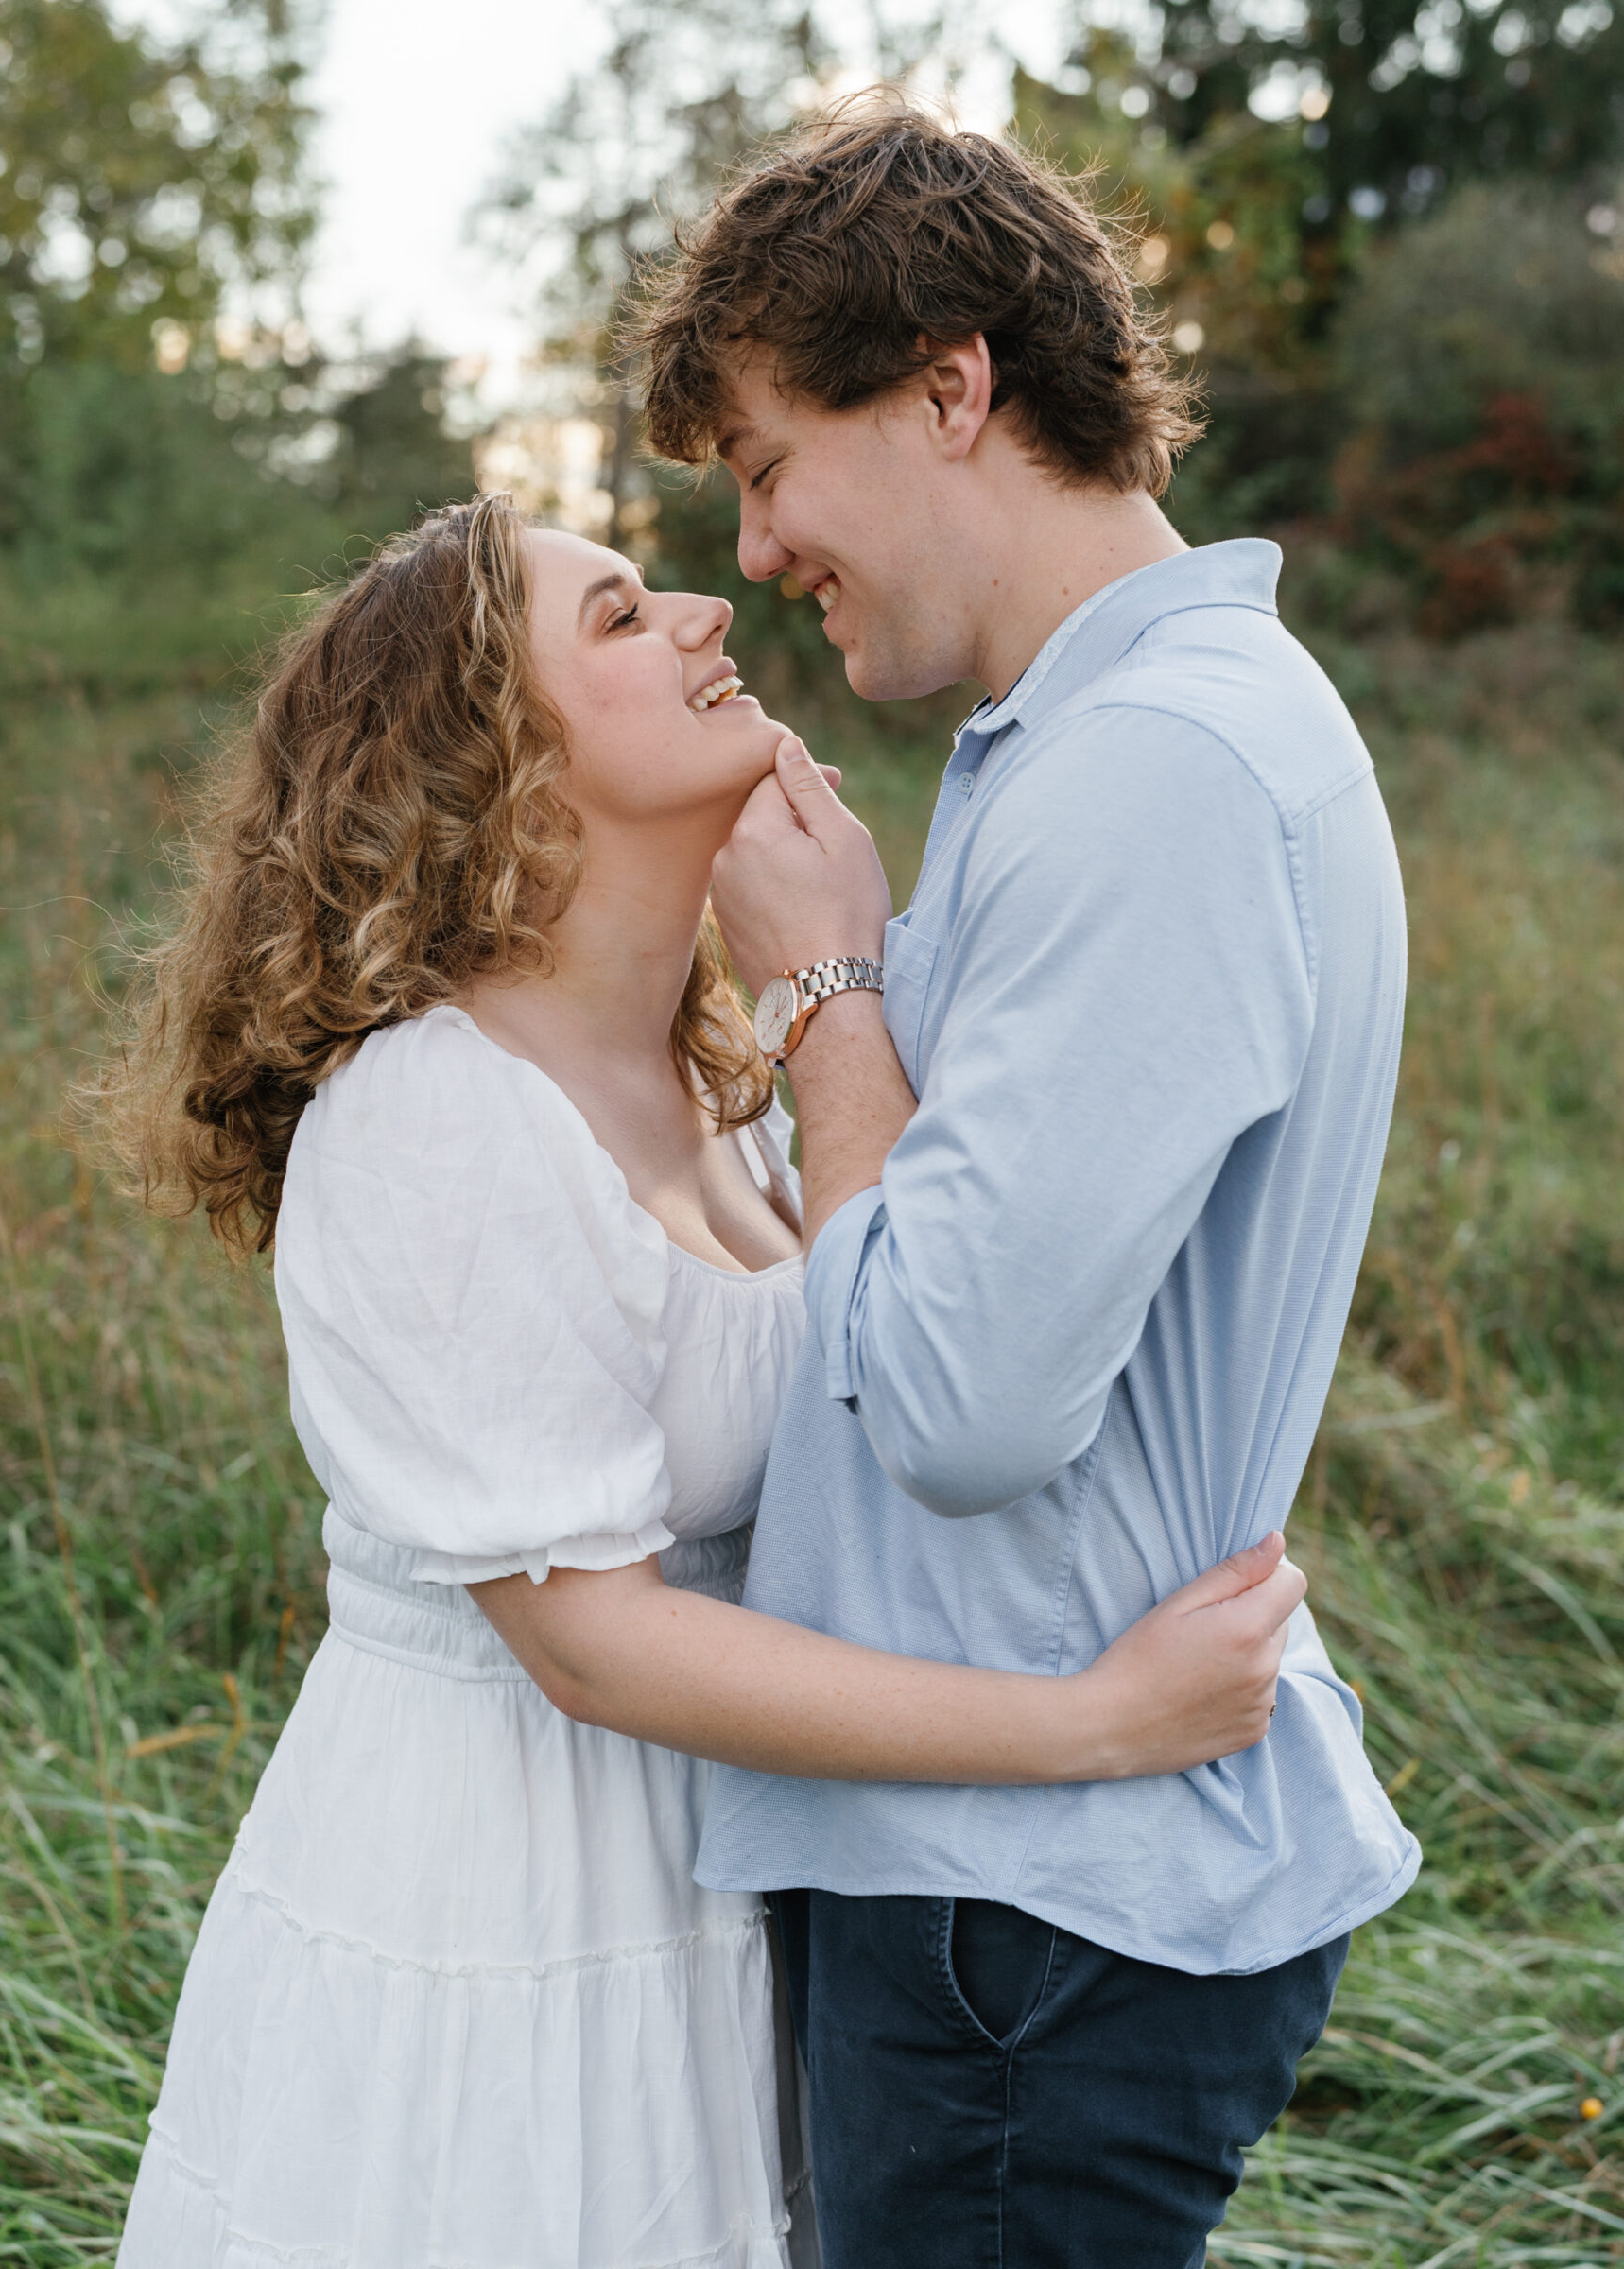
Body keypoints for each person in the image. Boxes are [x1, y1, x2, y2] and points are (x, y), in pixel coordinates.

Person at [95, 493, 1306, 2269]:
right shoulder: (436, 1112)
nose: (704, 608)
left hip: (733, 1842)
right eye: (615, 615)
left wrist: (831, 993)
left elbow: (929, 1343)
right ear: (494, 762)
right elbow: (590, 1647)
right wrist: (1090, 1726)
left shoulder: (718, 1073)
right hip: (515, 1891)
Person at [634, 97, 1423, 2267]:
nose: (758, 549)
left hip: (1025, 1920)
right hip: (1005, 1874)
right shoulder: (1087, 742)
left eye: (770, 464)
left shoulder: (1156, 767)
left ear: (953, 386)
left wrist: (831, 997)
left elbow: (962, 1404)